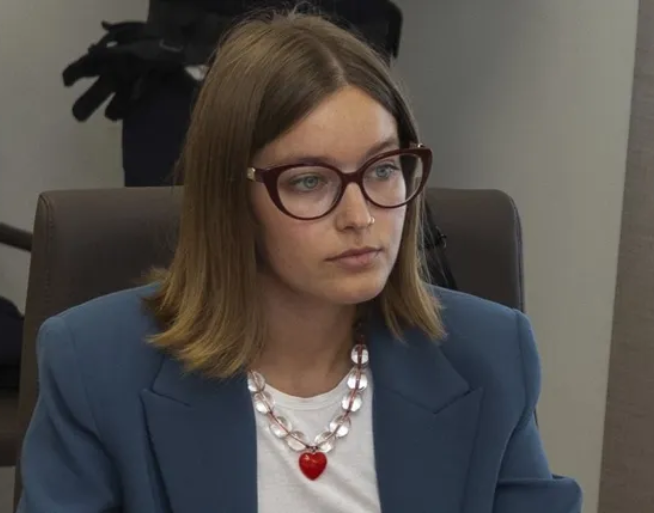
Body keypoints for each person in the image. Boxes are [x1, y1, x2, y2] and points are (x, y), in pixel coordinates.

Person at [16, 10, 582, 513]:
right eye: (310, 181)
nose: (360, 216)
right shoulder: (93, 365)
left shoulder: (490, 354)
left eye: (383, 169)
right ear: (232, 200)